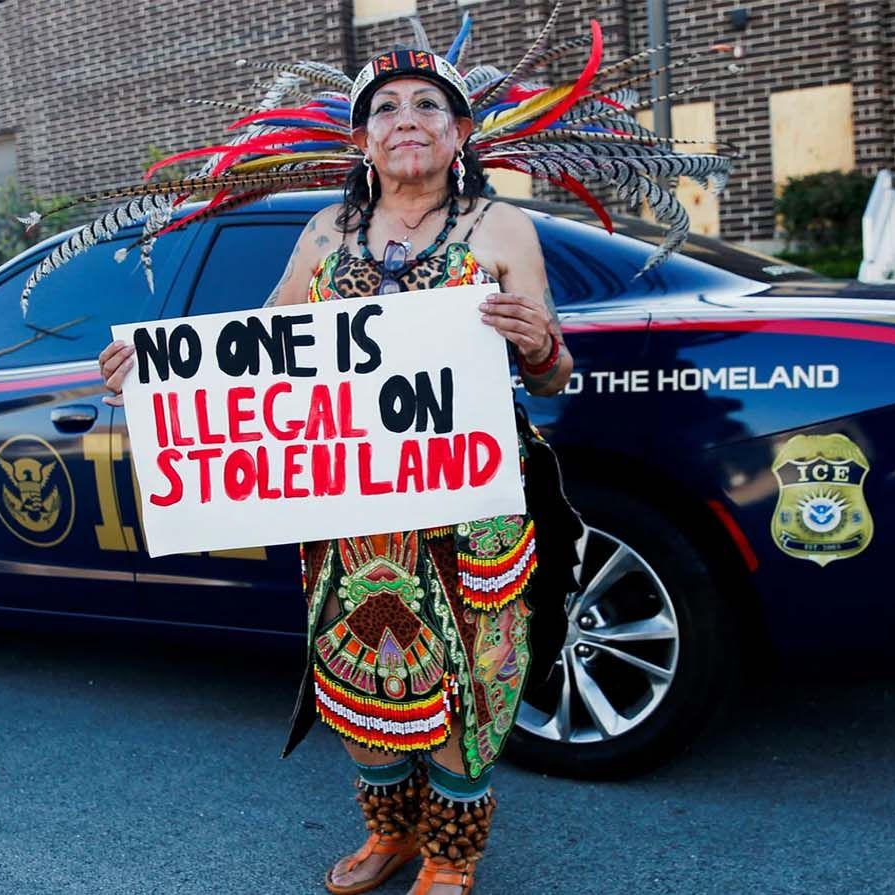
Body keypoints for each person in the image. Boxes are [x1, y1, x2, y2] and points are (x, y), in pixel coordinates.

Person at [96, 49, 572, 895]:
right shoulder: (324, 233)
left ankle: (452, 849)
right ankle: (390, 828)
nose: (407, 119)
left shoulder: (502, 229)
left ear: (461, 131)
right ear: (361, 140)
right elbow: (257, 352)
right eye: (386, 108)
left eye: (428, 104)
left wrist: (538, 345)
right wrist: (159, 369)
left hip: (471, 500)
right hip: (353, 507)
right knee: (360, 661)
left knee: (473, 668)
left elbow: (552, 375)